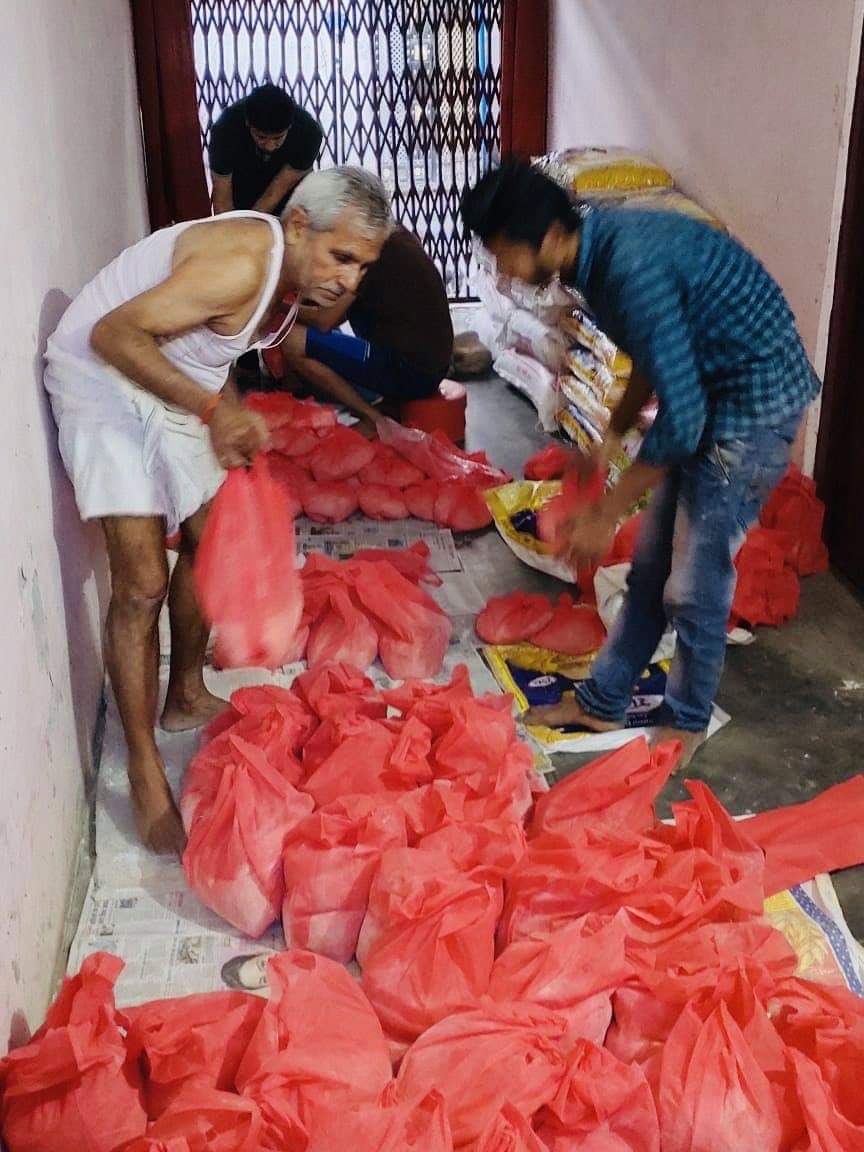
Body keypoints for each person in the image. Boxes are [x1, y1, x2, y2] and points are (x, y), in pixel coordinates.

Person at [45, 168, 392, 853]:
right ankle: (143, 766)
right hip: (102, 375)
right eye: (341, 257)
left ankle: (184, 691)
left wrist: (222, 407)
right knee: (140, 581)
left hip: (165, 374)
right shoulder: (241, 263)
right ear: (298, 227)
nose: (349, 280)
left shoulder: (293, 291)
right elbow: (114, 335)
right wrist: (212, 410)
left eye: (363, 266)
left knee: (213, 534)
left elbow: (214, 348)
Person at [461, 161, 820, 765]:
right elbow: (653, 356)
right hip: (706, 391)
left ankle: (686, 718)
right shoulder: (594, 260)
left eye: (504, 255)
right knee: (650, 568)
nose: (502, 272)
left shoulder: (628, 266)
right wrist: (608, 439)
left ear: (547, 237)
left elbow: (680, 421)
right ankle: (602, 699)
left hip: (753, 404)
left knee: (695, 583)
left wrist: (608, 509)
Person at [269, 225, 454, 427]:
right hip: (433, 367)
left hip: (411, 374)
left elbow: (324, 321)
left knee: (292, 340)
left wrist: (278, 304)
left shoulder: (368, 252)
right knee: (320, 328)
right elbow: (337, 312)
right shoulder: (393, 234)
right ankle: (377, 401)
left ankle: (373, 417)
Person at [209, 83, 324, 216]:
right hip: (242, 185)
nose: (269, 146)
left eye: (278, 138)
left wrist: (253, 224)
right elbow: (222, 199)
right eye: (261, 137)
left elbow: (274, 194)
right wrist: (230, 228)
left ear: (290, 126)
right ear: (248, 123)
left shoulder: (308, 132)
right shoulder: (224, 131)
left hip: (288, 196)